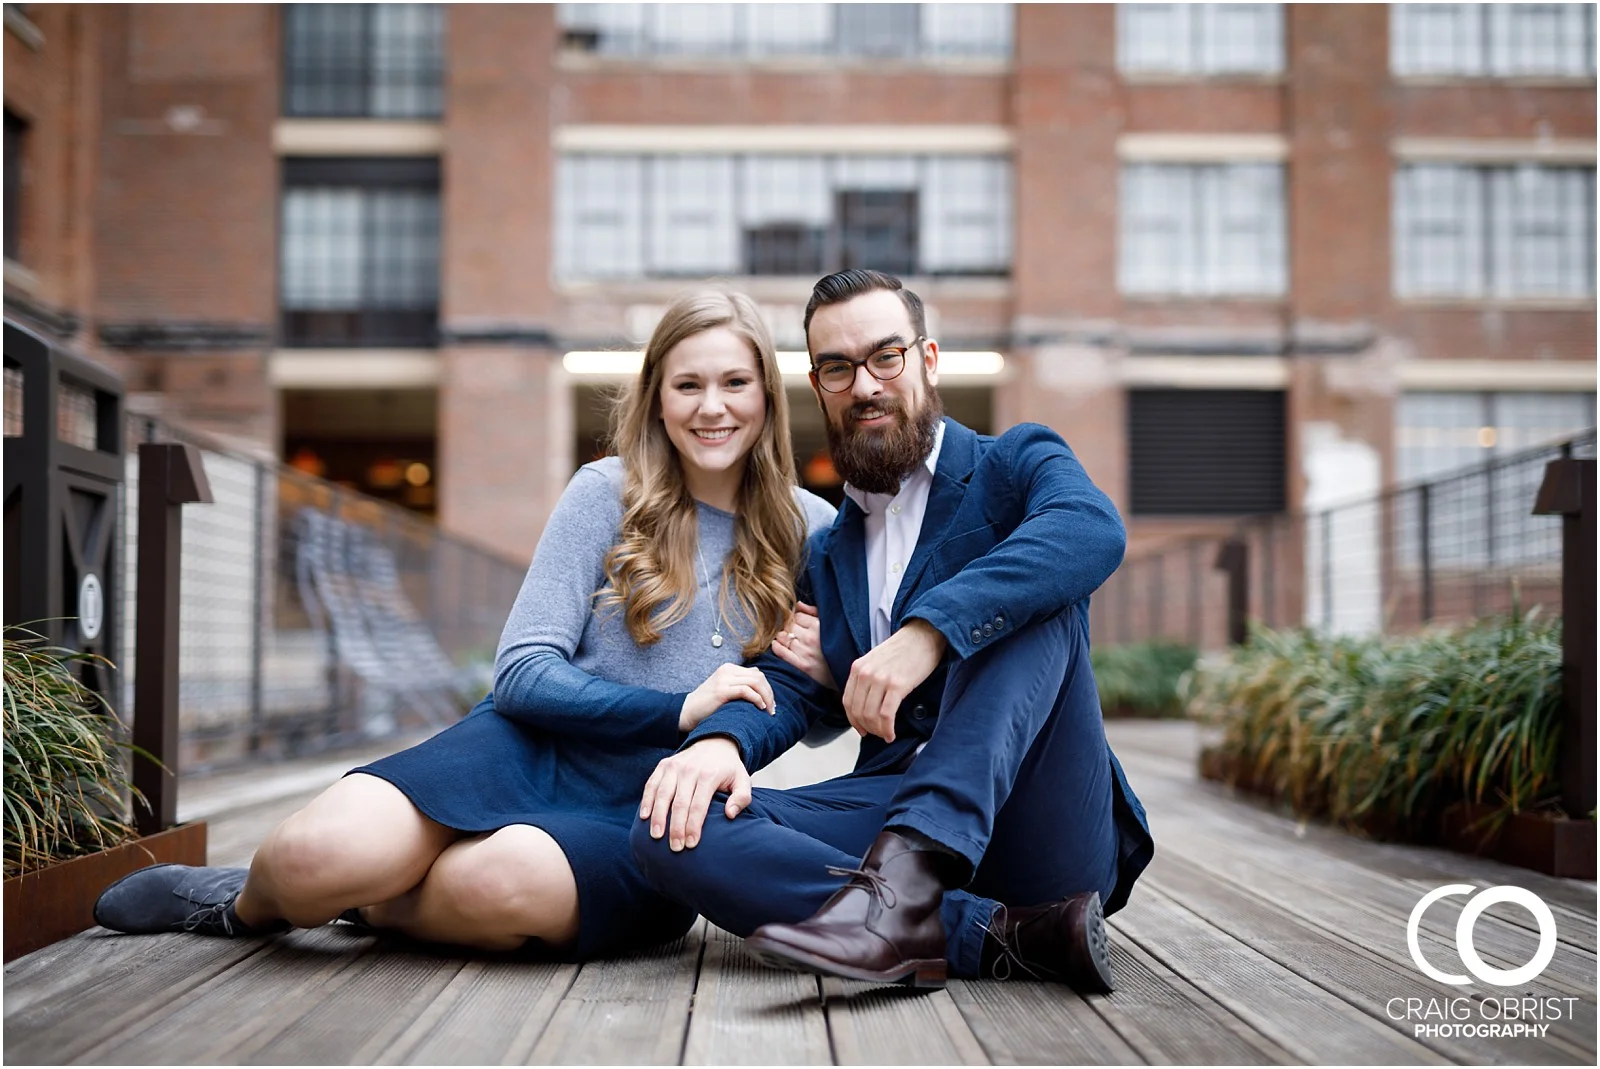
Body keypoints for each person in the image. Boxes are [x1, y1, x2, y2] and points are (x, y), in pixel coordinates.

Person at [93, 290, 836, 961]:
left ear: (768, 396)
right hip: (522, 748)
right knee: (312, 856)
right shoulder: (606, 492)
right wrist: (676, 707)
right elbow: (520, 673)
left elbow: (813, 720)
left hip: (654, 803)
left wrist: (830, 676)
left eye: (735, 383)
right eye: (689, 385)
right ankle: (244, 904)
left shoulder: (813, 529)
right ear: (658, 399)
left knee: (495, 884)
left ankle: (369, 897)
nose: (713, 407)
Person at [629, 269, 1154, 991]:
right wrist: (719, 743)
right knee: (675, 827)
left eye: (886, 356)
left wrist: (927, 632)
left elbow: (1090, 530)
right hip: (889, 804)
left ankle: (901, 897)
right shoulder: (828, 550)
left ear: (927, 360)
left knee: (1036, 599)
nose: (866, 384)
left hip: (1039, 819)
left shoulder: (1014, 465)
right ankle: (1000, 935)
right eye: (839, 368)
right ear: (819, 386)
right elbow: (791, 679)